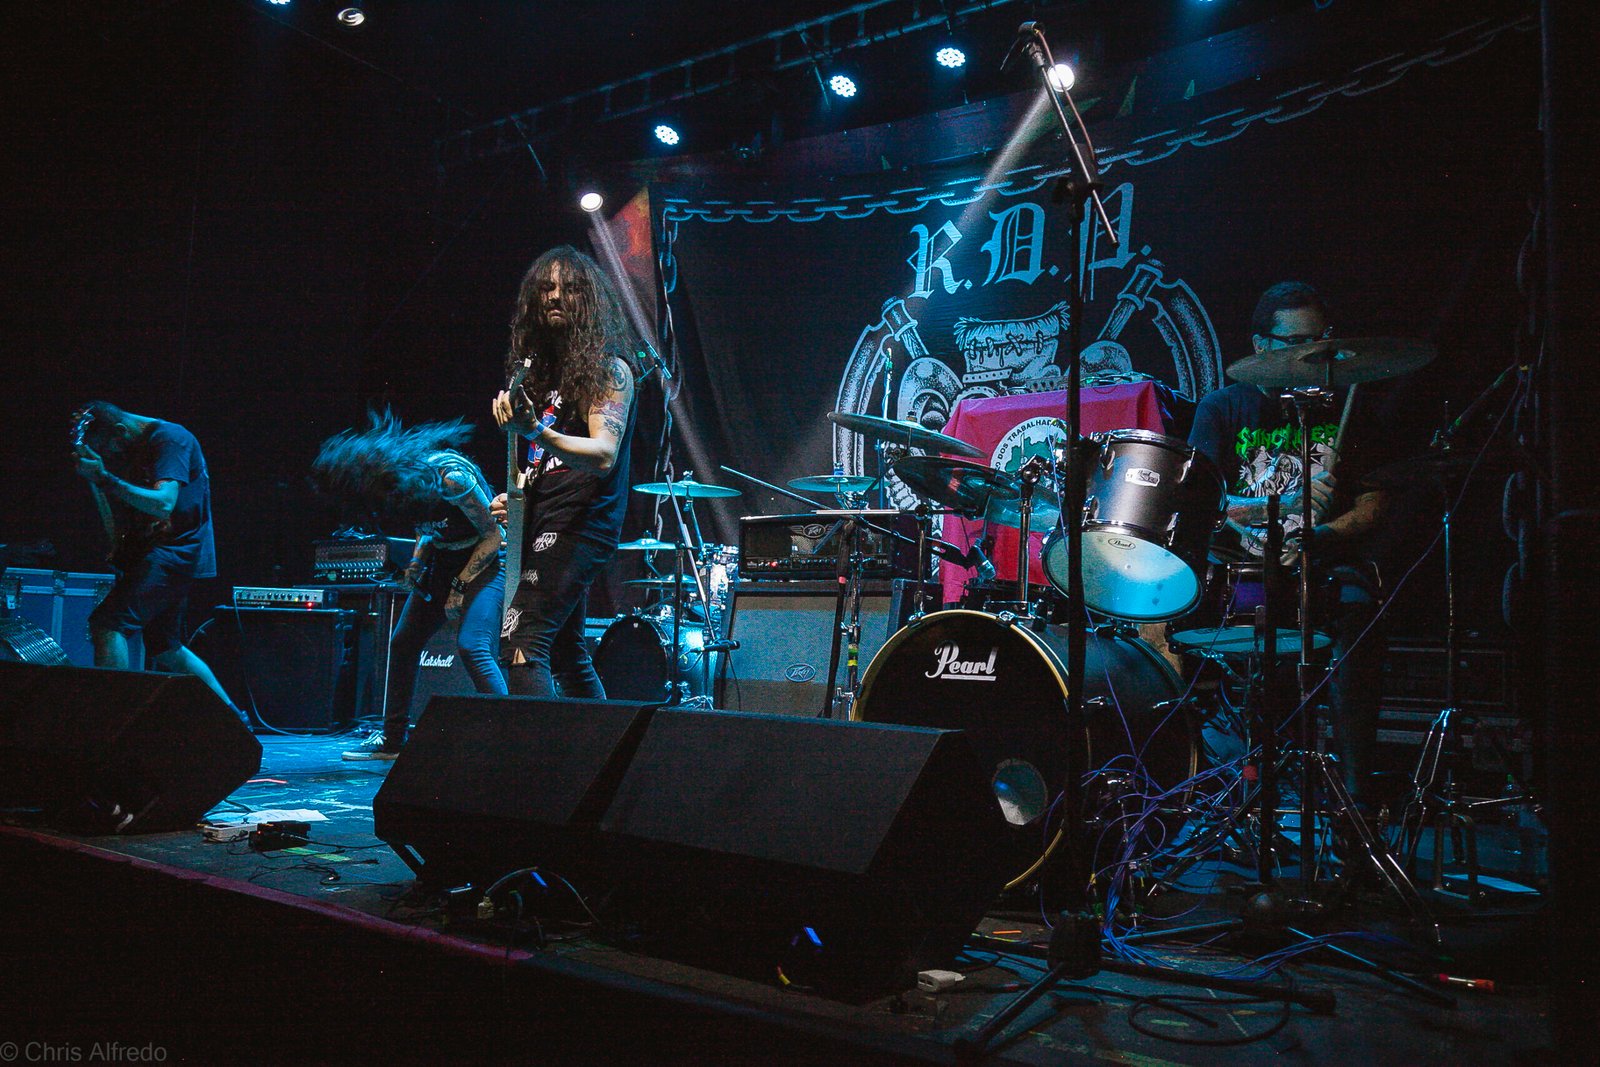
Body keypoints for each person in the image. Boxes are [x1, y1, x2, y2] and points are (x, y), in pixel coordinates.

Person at [1186, 282, 1387, 807]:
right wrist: (1284, 504)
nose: (1312, 354)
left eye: (1320, 340)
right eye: (1297, 342)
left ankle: (1356, 800)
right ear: (1261, 346)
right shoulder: (1223, 407)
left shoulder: (1347, 408)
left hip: (1324, 568)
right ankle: (1245, 791)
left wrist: (1322, 534)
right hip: (1243, 571)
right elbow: (1202, 503)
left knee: (1360, 612)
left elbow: (1373, 503)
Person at [309, 411, 508, 760]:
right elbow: (426, 529)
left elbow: (495, 535)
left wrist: (460, 587)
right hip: (443, 561)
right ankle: (392, 740)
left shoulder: (450, 477)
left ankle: (512, 739)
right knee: (402, 643)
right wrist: (416, 564)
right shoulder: (402, 489)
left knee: (472, 646)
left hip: (485, 560)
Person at [491, 245, 637, 700]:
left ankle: (539, 748)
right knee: (567, 653)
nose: (555, 296)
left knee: (522, 641)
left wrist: (534, 429)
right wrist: (520, 501)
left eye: (570, 288)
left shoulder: (608, 369)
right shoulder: (543, 376)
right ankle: (603, 743)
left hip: (580, 524)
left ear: (589, 300)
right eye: (546, 288)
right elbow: (550, 462)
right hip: (547, 519)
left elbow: (603, 453)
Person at [71, 401, 245, 722]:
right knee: (166, 647)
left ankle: (115, 720)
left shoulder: (170, 440)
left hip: (173, 553)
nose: (111, 454)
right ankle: (233, 717)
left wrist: (105, 478)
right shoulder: (139, 446)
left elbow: (164, 504)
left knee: (108, 625)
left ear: (121, 431)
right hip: (162, 553)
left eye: (110, 446)